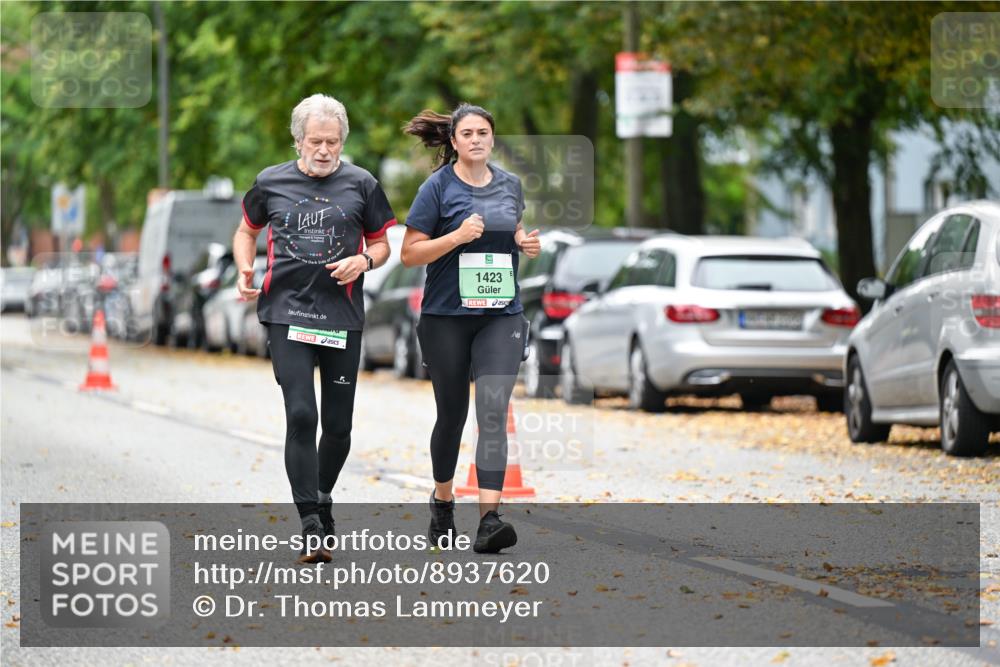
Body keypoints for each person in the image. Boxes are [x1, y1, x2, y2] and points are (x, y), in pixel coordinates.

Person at [233, 94, 396, 563]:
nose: (324, 150)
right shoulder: (271, 181)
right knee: (303, 415)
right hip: (287, 313)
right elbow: (246, 230)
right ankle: (309, 523)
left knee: (338, 427)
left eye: (333, 141)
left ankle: (322, 496)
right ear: (298, 141)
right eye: (315, 141)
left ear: (342, 141)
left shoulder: (362, 184)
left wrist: (364, 261)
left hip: (341, 316)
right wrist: (245, 267)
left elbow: (383, 244)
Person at [400, 104, 541, 554]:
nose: (476, 139)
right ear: (454, 141)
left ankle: (489, 520)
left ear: (492, 139)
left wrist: (523, 241)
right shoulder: (437, 188)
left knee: (493, 411)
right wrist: (456, 237)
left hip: (501, 314)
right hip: (447, 317)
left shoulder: (510, 185)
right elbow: (410, 253)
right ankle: (443, 500)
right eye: (468, 133)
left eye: (483, 132)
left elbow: (513, 228)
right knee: (452, 414)